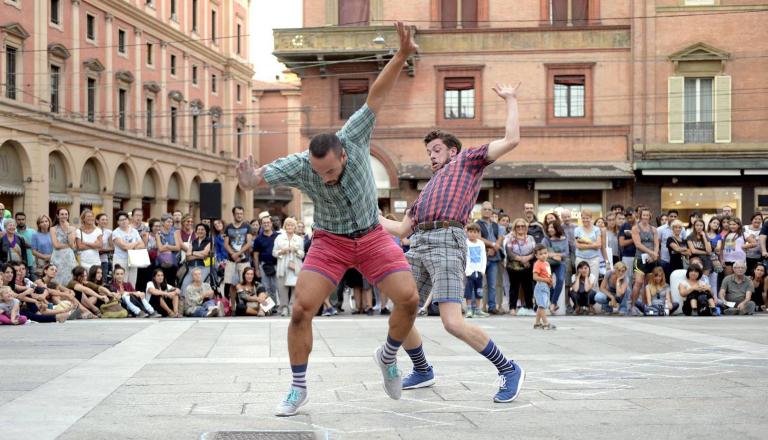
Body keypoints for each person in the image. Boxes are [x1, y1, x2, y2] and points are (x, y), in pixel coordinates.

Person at [237, 22, 421, 417]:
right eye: (318, 174)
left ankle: (388, 356)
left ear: (343, 155)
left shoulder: (353, 136)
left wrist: (402, 55)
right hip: (330, 242)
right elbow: (261, 176)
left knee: (409, 299)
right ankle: (298, 388)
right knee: (301, 309)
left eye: (331, 171)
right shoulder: (302, 165)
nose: (325, 178)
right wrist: (251, 180)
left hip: (372, 236)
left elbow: (376, 96)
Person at [378, 79, 524, 404]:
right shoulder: (426, 190)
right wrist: (370, 217)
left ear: (452, 151)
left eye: (436, 150)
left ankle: (509, 368)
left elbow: (512, 139)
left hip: (447, 240)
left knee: (452, 323)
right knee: (400, 313)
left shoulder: (467, 161)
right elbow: (402, 230)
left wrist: (510, 99)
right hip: (419, 244)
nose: (431, 156)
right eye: (428, 152)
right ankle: (423, 369)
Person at [273, 217, 305, 317]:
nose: (290, 227)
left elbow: (302, 254)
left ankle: (291, 306)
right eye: (288, 225)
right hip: (282, 266)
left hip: (295, 266)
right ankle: (284, 308)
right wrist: (283, 251)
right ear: (285, 226)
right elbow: (274, 253)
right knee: (282, 288)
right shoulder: (279, 238)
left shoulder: (299, 239)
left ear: (295, 227)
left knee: (296, 287)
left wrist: (296, 250)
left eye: (292, 225)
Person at [476, 201, 503, 314]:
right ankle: (477, 307)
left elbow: (501, 237)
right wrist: (492, 245)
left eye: (489, 209)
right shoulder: (477, 224)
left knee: (492, 284)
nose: (487, 211)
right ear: (481, 210)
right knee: (479, 284)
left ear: (492, 211)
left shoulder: (496, 225)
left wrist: (496, 246)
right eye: (485, 209)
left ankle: (492, 307)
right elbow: (478, 237)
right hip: (482, 256)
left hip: (494, 257)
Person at [505, 218, 536, 315]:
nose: (520, 228)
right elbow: (509, 253)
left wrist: (527, 258)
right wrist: (522, 259)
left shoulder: (530, 238)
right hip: (514, 266)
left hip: (528, 265)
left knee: (528, 287)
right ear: (515, 227)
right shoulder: (510, 239)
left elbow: (535, 252)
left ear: (526, 227)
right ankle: (512, 308)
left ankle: (529, 307)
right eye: (518, 226)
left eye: (522, 226)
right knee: (514, 287)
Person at [223, 206, 253, 304]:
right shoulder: (228, 227)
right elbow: (226, 244)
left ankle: (243, 305)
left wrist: (238, 254)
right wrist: (233, 254)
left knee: (244, 283)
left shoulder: (247, 226)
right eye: (237, 214)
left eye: (241, 213)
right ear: (233, 214)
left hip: (244, 260)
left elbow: (249, 243)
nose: (239, 215)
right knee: (230, 283)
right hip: (231, 260)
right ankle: (231, 307)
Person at [111, 211, 145, 287]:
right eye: (121, 220)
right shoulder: (116, 232)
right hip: (121, 260)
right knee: (121, 283)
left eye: (125, 219)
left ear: (128, 220)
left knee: (132, 283)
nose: (124, 221)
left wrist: (131, 246)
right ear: (117, 222)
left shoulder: (134, 231)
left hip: (133, 259)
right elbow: (124, 247)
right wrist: (136, 243)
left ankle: (131, 298)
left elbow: (142, 245)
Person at [542, 218, 568, 314]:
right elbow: (542, 252)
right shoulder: (546, 239)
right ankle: (554, 303)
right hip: (548, 263)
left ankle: (553, 303)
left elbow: (566, 253)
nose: (550, 229)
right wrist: (554, 256)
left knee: (560, 279)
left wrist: (558, 256)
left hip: (561, 263)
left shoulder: (564, 238)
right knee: (548, 282)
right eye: (549, 228)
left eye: (552, 227)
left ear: (557, 228)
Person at [253, 214, 279, 306]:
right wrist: (256, 269)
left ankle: (277, 306)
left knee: (276, 287)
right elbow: (255, 255)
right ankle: (270, 308)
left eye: (268, 222)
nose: (266, 224)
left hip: (277, 265)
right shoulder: (258, 239)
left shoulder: (278, 236)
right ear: (261, 225)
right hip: (263, 265)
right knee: (266, 287)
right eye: (264, 223)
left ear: (271, 224)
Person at [464, 223, 488, 319]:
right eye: (470, 232)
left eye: (475, 232)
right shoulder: (466, 243)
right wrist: (467, 271)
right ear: (467, 232)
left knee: (479, 291)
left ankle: (478, 309)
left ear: (478, 233)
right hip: (470, 271)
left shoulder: (481, 243)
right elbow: (465, 258)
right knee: (469, 291)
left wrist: (483, 270)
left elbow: (483, 257)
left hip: (479, 271)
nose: (472, 234)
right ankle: (469, 309)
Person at [182, 223, 212, 294]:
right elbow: (188, 256)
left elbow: (205, 254)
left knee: (198, 283)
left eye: (202, 229)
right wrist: (200, 254)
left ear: (206, 231)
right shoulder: (193, 241)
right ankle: (185, 301)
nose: (200, 231)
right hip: (192, 266)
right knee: (185, 284)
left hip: (204, 267)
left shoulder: (209, 241)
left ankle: (197, 301)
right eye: (198, 229)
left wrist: (192, 252)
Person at [532, 244, 556, 330]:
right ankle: (546, 323)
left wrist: (550, 281)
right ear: (536, 255)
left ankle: (537, 323)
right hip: (540, 286)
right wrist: (546, 280)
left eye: (545, 253)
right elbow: (535, 277)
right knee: (542, 305)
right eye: (541, 254)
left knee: (541, 305)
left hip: (546, 286)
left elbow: (548, 275)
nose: (543, 255)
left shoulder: (547, 263)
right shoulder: (537, 264)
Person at [574, 209, 602, 280]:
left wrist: (584, 243)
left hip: (594, 259)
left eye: (587, 218)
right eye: (583, 218)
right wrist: (593, 244)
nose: (585, 220)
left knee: (594, 280)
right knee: (580, 279)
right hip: (580, 258)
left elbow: (599, 245)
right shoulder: (577, 230)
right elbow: (578, 246)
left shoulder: (596, 229)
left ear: (591, 218)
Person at [96, 213, 114, 283]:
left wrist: (101, 250)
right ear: (97, 221)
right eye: (102, 219)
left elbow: (112, 248)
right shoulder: (93, 231)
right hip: (93, 259)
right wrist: (105, 250)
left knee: (104, 280)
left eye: (106, 220)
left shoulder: (109, 232)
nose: (105, 221)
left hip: (104, 260)